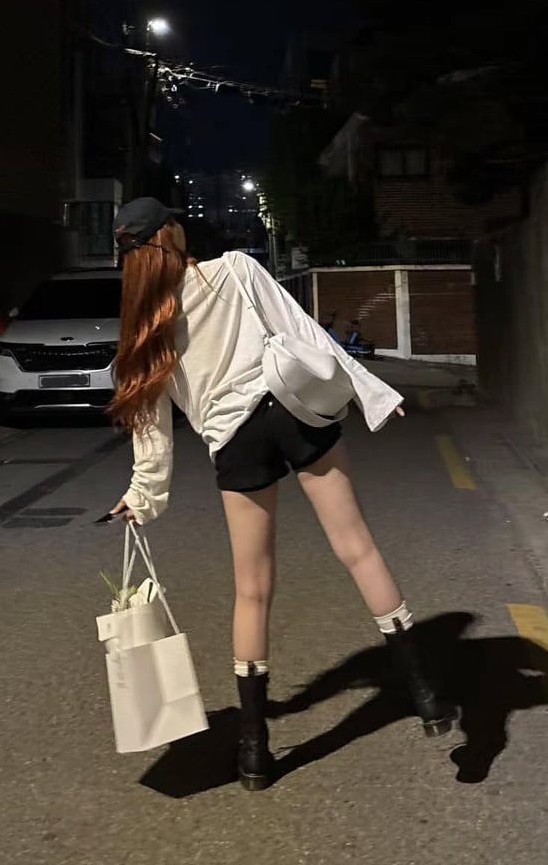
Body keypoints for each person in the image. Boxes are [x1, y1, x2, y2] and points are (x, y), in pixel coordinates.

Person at [107, 197, 456, 790]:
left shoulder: (147, 326)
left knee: (252, 590)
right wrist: (371, 392)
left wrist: (143, 495)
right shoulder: (236, 269)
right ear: (172, 233)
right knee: (358, 549)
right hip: (291, 412)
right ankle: (426, 697)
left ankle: (254, 753)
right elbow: (301, 332)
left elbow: (152, 426)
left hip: (235, 442)